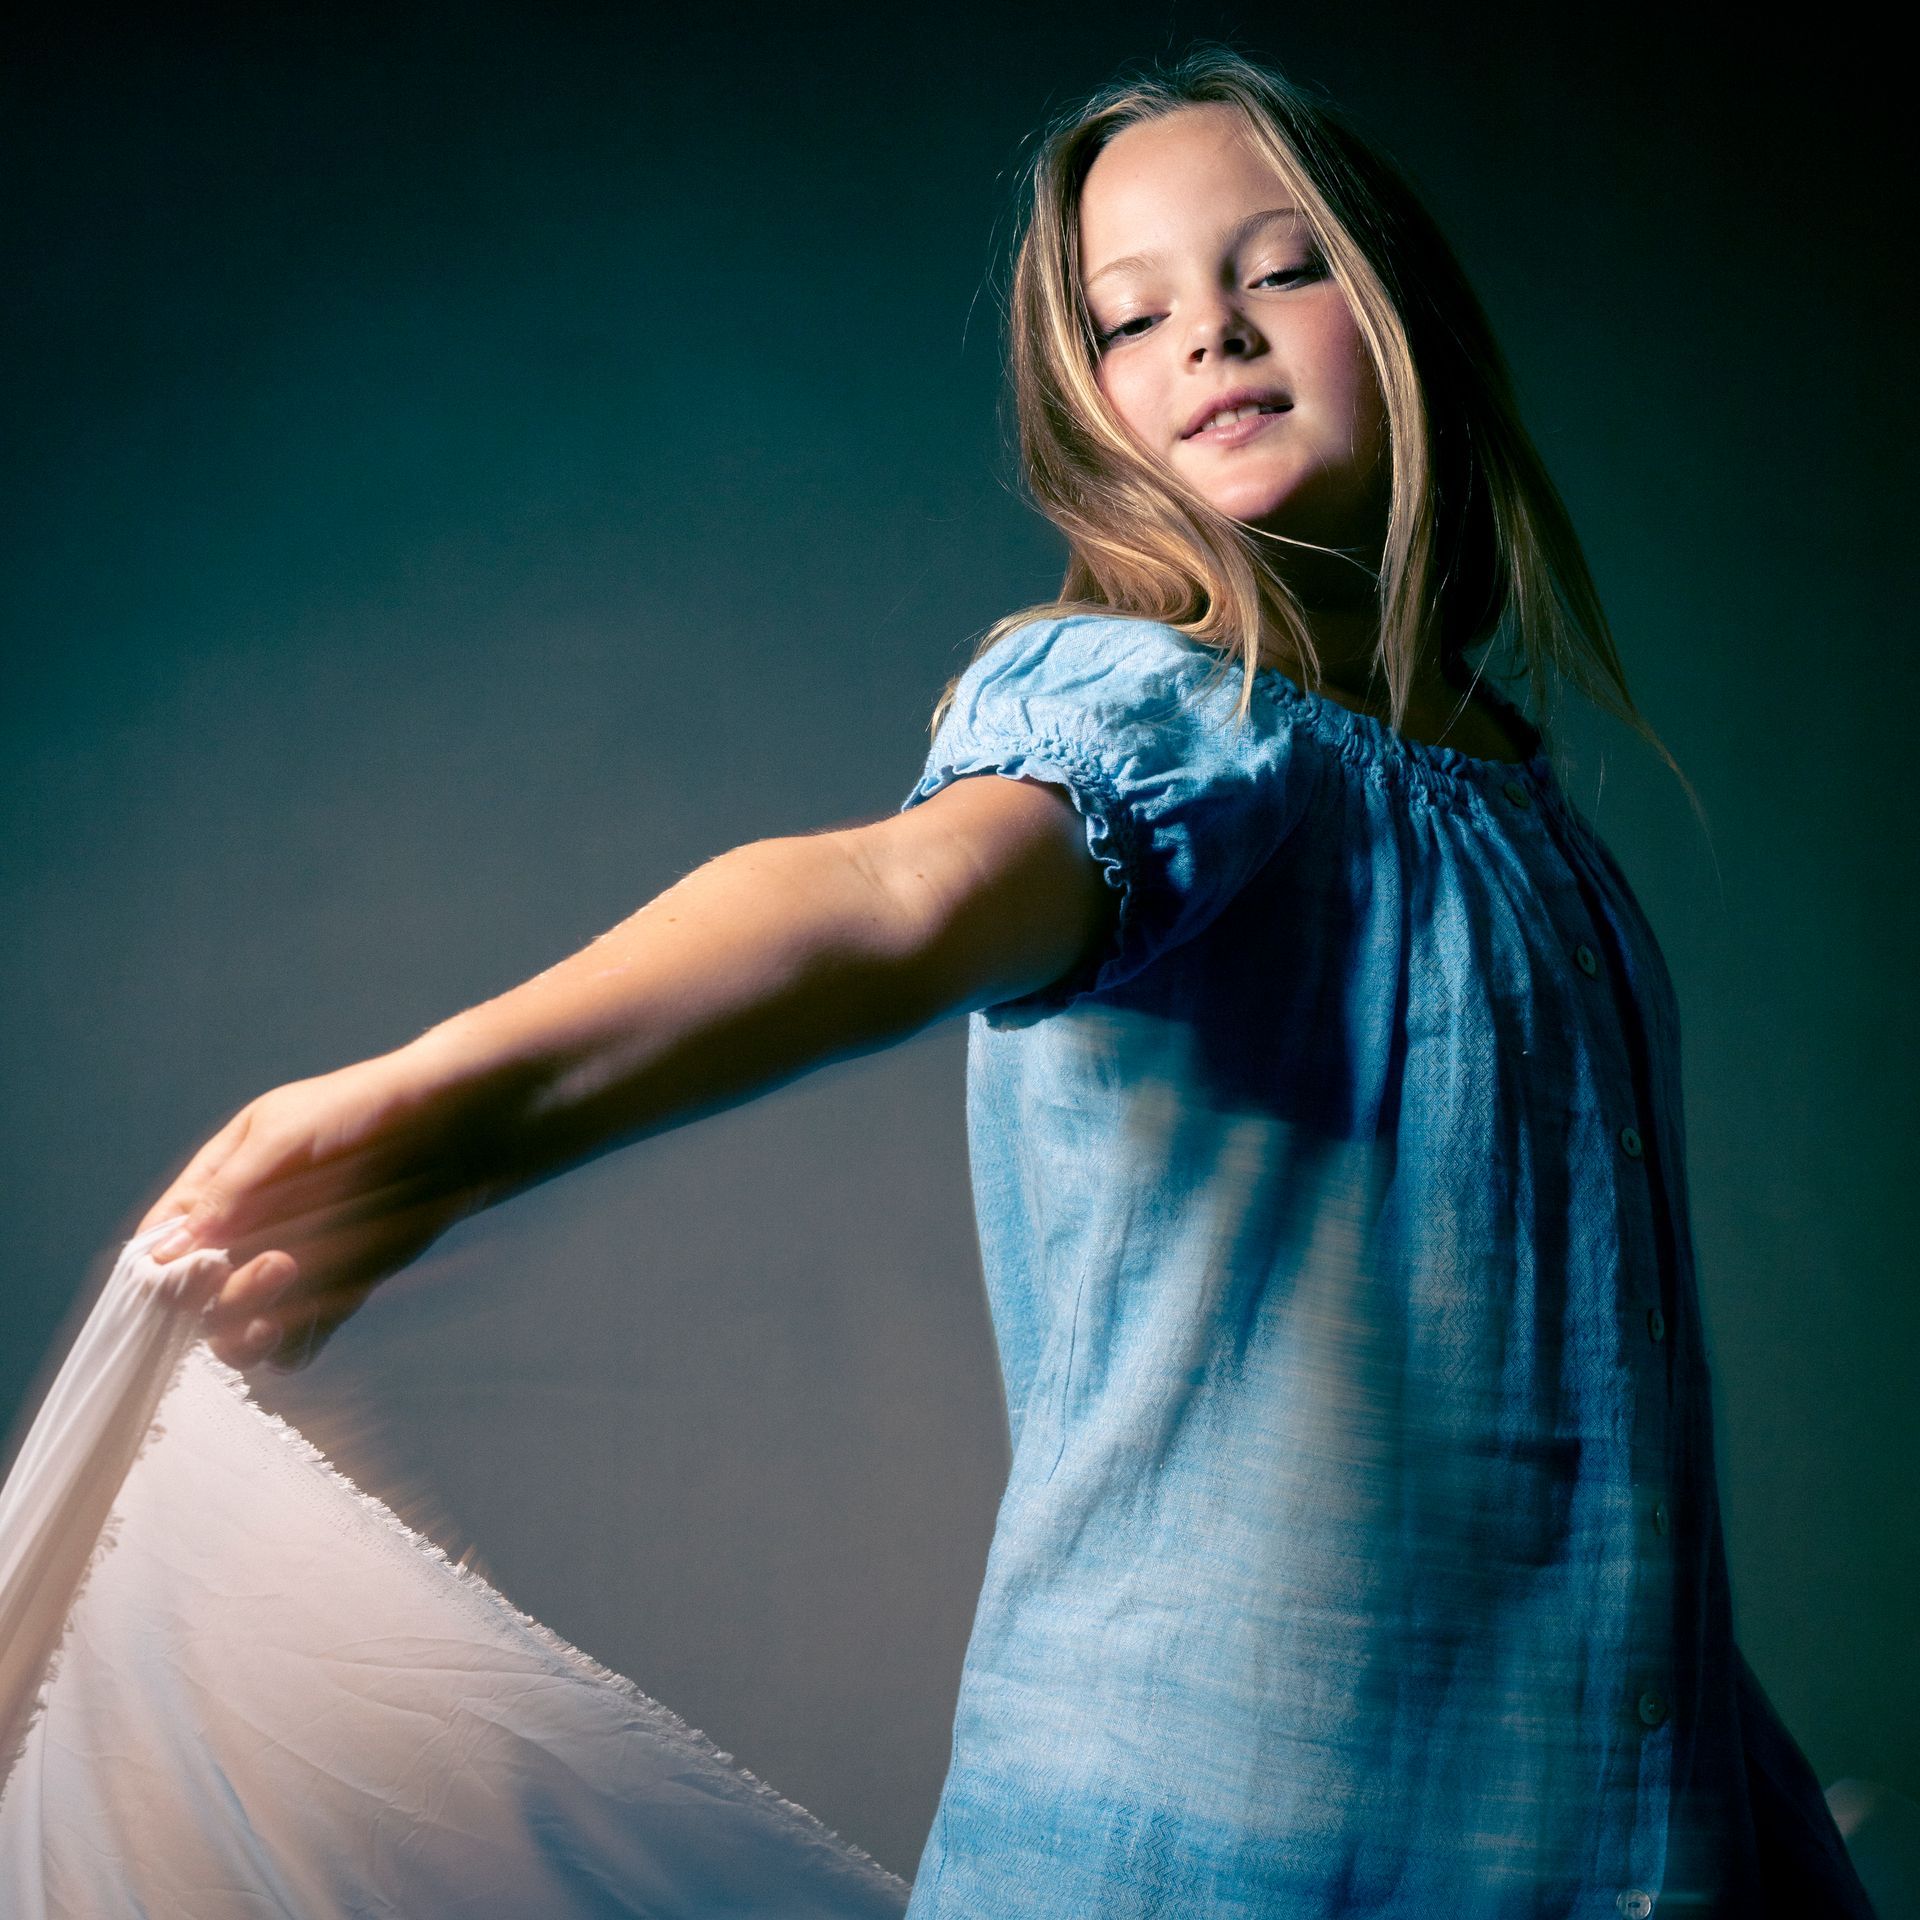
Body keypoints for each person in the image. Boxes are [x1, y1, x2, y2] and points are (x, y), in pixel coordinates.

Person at [134, 45, 1877, 1919]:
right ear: (1087, 411)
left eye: (1279, 267)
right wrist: (471, 1106)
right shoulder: (1166, 717)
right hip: (1202, 1853)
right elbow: (893, 896)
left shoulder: (1526, 814)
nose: (1209, 334)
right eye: (1131, 318)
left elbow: (1611, 1480)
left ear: (1409, 316)